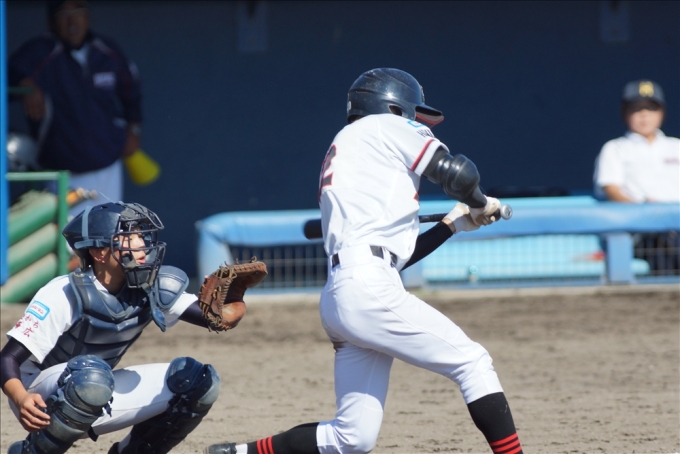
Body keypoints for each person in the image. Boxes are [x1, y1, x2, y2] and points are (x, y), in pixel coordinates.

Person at [206, 68, 523, 454]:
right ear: (395, 106)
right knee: (472, 362)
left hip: (346, 292)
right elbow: (456, 173)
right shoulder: (385, 125)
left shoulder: (353, 149)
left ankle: (238, 453)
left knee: (351, 437)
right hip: (367, 286)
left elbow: (394, 259)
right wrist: (480, 202)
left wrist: (452, 224)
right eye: (412, 114)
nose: (416, 122)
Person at [0, 201, 250, 454]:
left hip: (94, 387)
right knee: (92, 376)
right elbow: (7, 358)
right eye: (128, 237)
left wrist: (233, 301)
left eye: (140, 235)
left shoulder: (151, 285)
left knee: (197, 381)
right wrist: (21, 399)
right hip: (38, 396)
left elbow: (216, 319)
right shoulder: (65, 292)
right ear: (99, 253)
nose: (141, 244)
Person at [8, 0, 143, 216]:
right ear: (51, 21)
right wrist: (25, 83)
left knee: (109, 230)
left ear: (87, 16)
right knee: (69, 234)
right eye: (64, 13)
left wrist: (133, 129)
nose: (72, 20)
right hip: (62, 171)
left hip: (107, 165)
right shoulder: (39, 52)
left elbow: (132, 91)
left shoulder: (106, 50)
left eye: (78, 11)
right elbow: (8, 73)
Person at [593, 79, 680, 273]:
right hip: (641, 231)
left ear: (662, 112)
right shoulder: (615, 148)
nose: (644, 115)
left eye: (651, 108)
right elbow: (611, 189)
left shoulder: (676, 146)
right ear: (624, 113)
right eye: (637, 108)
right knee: (662, 248)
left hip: (677, 225)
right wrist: (644, 210)